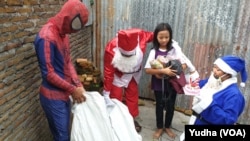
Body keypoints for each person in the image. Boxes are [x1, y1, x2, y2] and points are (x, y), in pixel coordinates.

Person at [33, 0, 89, 140]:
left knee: (65, 132)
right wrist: (73, 89)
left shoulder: (63, 34)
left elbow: (67, 61)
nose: (72, 31)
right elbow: (48, 74)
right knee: (62, 136)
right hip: (53, 98)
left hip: (65, 94)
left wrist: (78, 83)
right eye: (73, 26)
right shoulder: (47, 37)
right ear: (66, 17)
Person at [144, 22, 198, 139]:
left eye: (166, 37)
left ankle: (167, 126)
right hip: (158, 84)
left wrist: (176, 68)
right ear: (156, 37)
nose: (164, 40)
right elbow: (147, 70)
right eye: (161, 37)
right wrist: (163, 71)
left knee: (170, 105)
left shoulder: (175, 50)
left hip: (172, 84)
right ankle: (159, 127)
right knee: (159, 105)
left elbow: (183, 65)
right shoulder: (154, 51)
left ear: (170, 36)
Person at [180, 55, 247, 141]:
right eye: (214, 67)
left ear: (229, 73)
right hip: (196, 121)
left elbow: (228, 120)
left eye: (218, 69)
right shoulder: (214, 80)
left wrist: (208, 104)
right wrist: (187, 74)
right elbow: (199, 84)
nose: (214, 71)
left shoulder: (234, 95)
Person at [103, 28, 154, 132]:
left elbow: (155, 35)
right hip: (118, 75)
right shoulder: (110, 48)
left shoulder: (141, 37)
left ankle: (131, 119)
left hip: (134, 75)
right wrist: (106, 92)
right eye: (124, 55)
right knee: (115, 98)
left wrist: (168, 42)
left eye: (129, 55)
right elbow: (108, 72)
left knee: (132, 96)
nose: (127, 57)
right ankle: (116, 119)